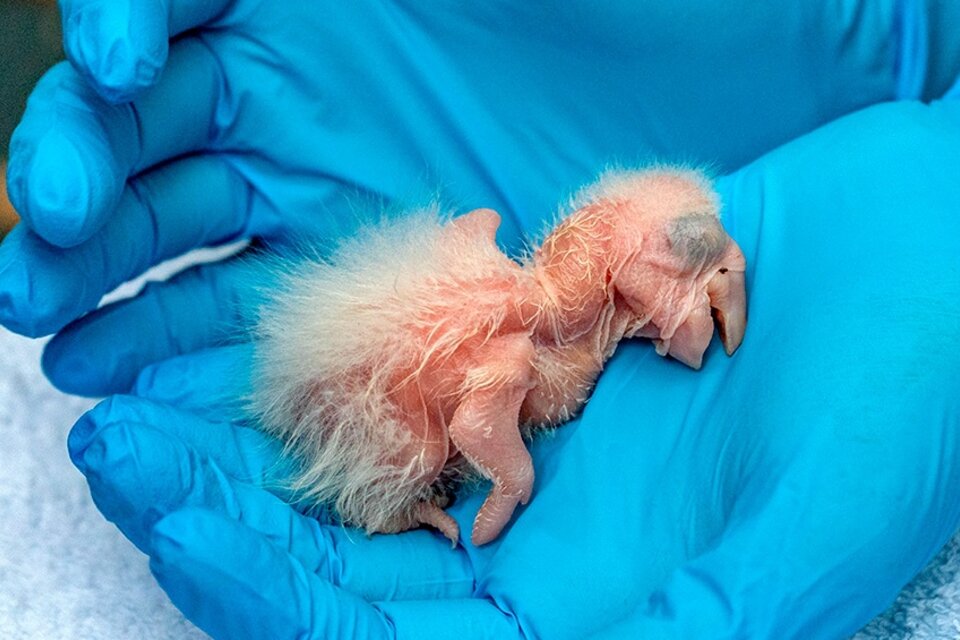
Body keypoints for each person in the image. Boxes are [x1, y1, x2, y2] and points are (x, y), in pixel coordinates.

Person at [1, 1, 959, 637]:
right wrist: (505, 487)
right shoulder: (513, 346)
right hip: (399, 415)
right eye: (691, 259)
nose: (709, 283)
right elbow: (474, 412)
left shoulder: (529, 278)